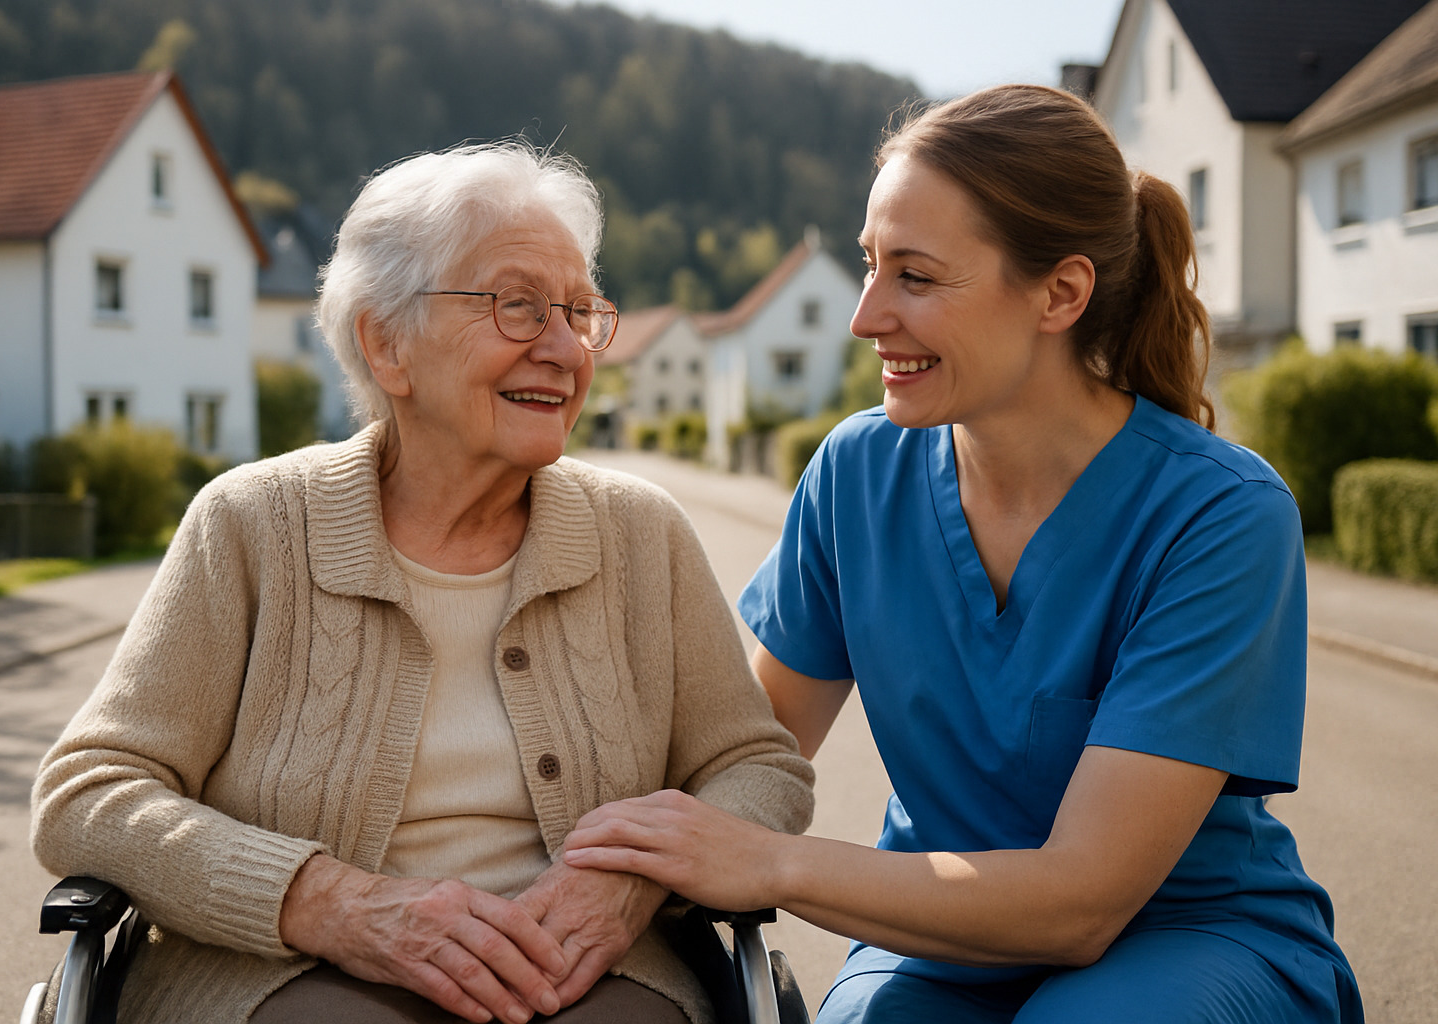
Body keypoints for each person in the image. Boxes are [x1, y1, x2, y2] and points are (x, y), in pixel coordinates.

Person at [562, 85, 1362, 1023]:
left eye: (916, 276)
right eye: (869, 265)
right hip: (942, 940)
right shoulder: (859, 472)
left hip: (1187, 935)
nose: (865, 317)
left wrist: (770, 864)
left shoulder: (1220, 515)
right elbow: (750, 750)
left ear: (1061, 293)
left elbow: (1081, 906)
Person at [30, 142, 813, 1024]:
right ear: (386, 343)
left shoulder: (641, 532)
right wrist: (326, 903)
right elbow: (90, 791)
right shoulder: (252, 525)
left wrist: (633, 879)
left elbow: (755, 768)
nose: (563, 348)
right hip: (288, 975)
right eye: (518, 308)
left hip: (592, 975)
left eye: (580, 311)